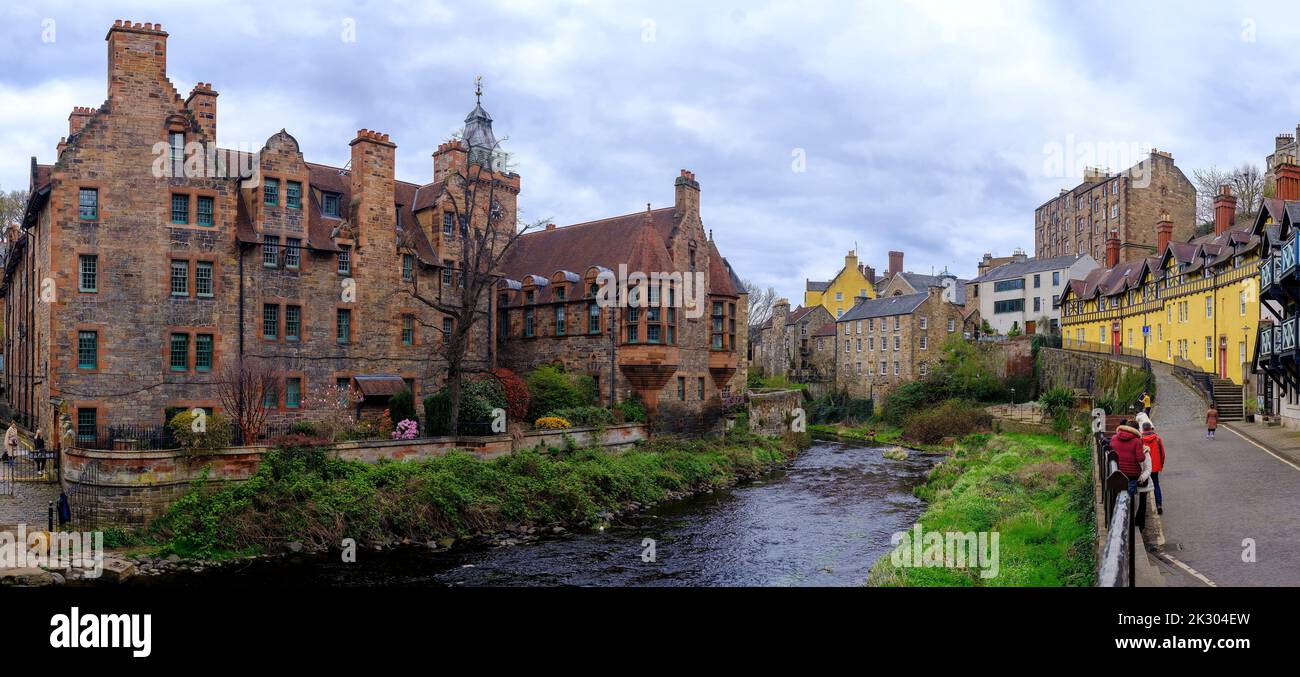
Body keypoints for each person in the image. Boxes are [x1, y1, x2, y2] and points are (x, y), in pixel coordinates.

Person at [1108, 422, 1152, 528]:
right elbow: (1142, 461)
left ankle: (1117, 523)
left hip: (1117, 474)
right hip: (1133, 476)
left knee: (1117, 499)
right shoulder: (1138, 442)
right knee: (1130, 500)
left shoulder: (1114, 438)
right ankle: (1128, 525)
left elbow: (1110, 451)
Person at [1140, 420, 1166, 515]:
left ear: (1143, 429)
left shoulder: (1140, 439)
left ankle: (1143, 510)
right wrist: (1161, 465)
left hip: (1145, 467)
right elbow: (1162, 454)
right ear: (1151, 428)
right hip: (1155, 467)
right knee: (1156, 485)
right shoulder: (1157, 439)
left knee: (1143, 487)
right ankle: (1159, 505)